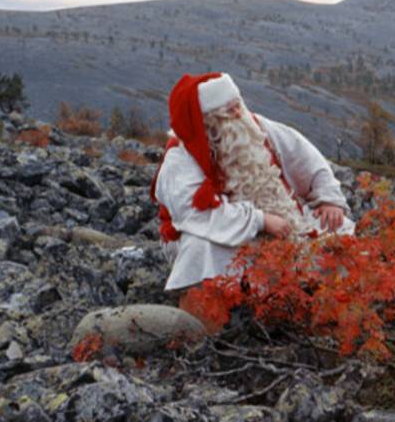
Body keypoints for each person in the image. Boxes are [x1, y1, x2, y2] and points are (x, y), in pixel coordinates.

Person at [149, 72, 355, 304]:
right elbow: (197, 214)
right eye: (229, 111)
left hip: (285, 218)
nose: (239, 114)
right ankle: (212, 314)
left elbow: (305, 157)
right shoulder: (180, 159)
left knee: (339, 231)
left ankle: (322, 296)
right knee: (201, 249)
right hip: (223, 230)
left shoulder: (254, 126)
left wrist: (328, 199)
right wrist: (261, 221)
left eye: (238, 105)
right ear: (207, 121)